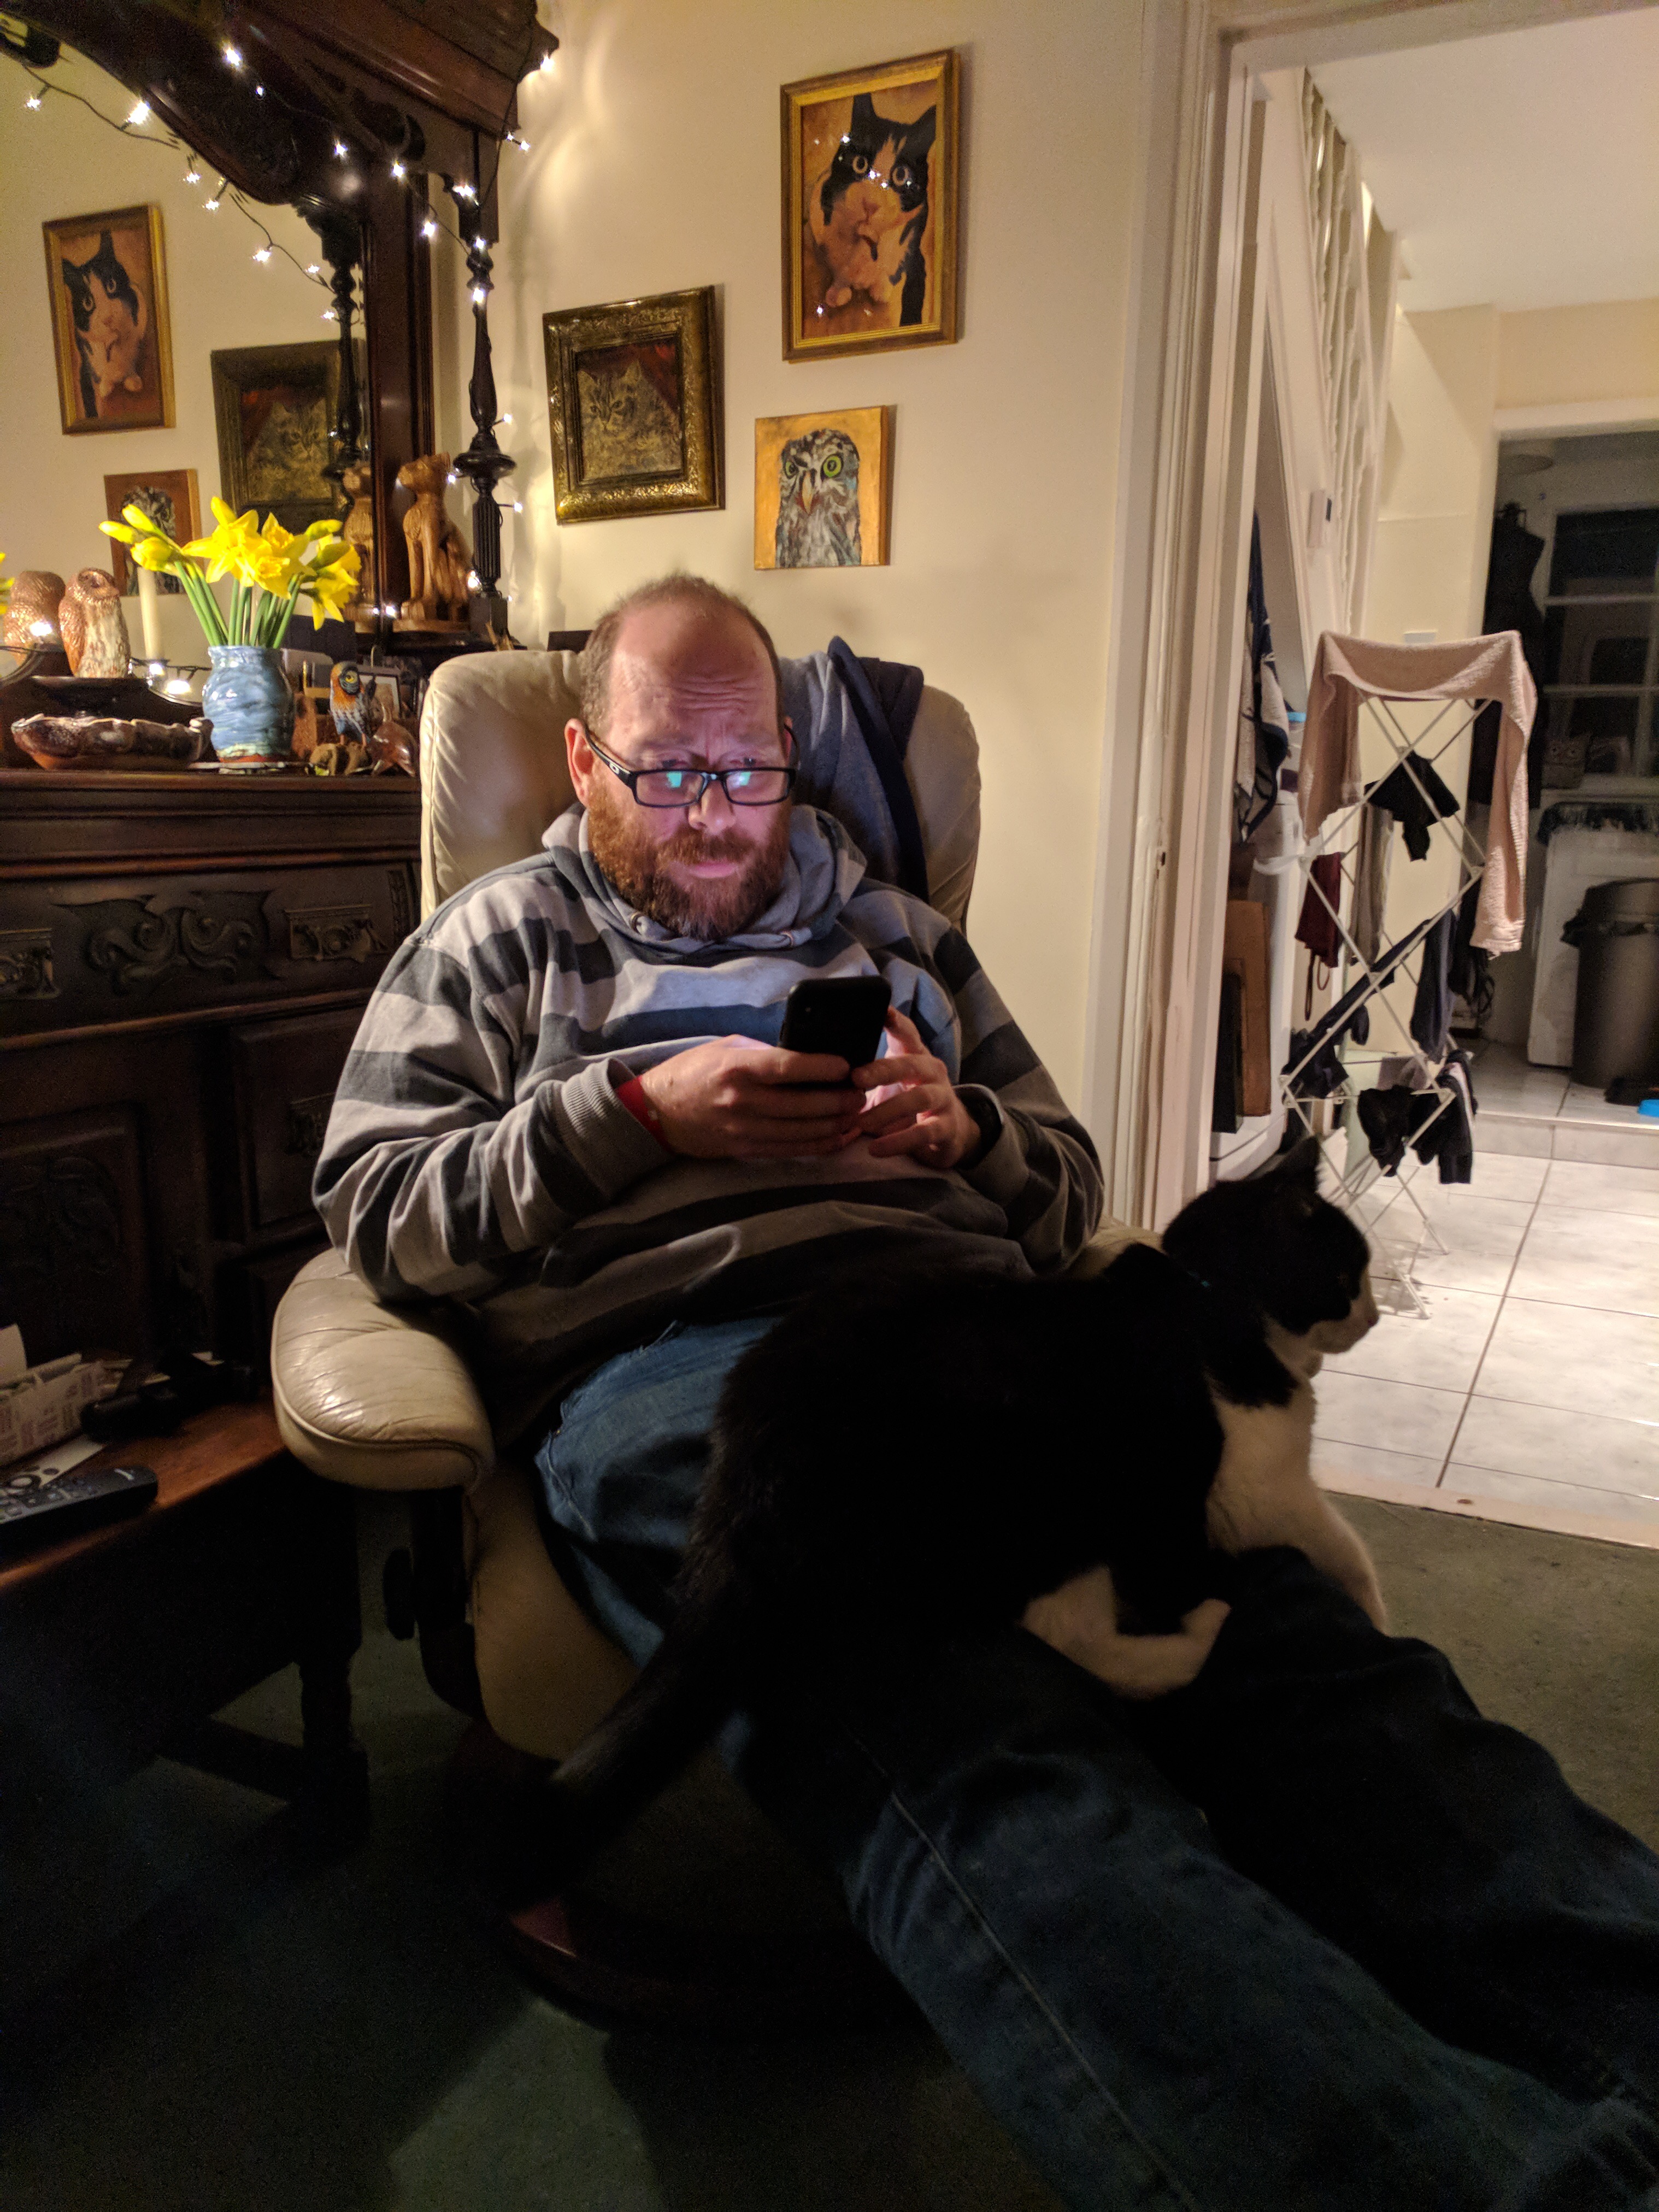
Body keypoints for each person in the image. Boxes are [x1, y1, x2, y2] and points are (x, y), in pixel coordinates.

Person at [316, 576, 1659, 2211]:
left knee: (1309, 1655)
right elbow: (375, 1214)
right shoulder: (492, 944)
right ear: (585, 760)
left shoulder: (898, 932)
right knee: (969, 1732)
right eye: (669, 773)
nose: (718, 813)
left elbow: (1069, 1185)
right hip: (693, 1377)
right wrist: (637, 1116)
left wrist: (971, 1133)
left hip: (994, 1340)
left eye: (750, 770)